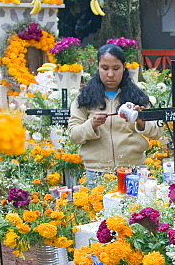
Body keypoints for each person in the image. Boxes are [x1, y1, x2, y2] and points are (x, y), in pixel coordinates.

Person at [67, 44, 162, 177]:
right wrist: (92, 125)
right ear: (97, 66)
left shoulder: (137, 97)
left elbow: (157, 131)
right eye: (105, 68)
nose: (110, 74)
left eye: (116, 68)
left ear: (124, 67)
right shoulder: (84, 98)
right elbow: (73, 135)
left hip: (132, 170)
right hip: (96, 173)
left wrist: (141, 121)